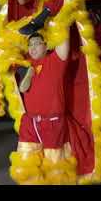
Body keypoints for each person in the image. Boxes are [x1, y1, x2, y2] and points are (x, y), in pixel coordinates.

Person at [15, 32, 72, 184]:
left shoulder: (55, 60)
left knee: (55, 167)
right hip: (30, 123)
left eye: (37, 43)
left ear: (46, 45)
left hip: (53, 123)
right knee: (26, 165)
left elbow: (63, 39)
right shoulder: (26, 65)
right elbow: (23, 87)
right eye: (30, 44)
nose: (32, 47)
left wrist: (60, 15)